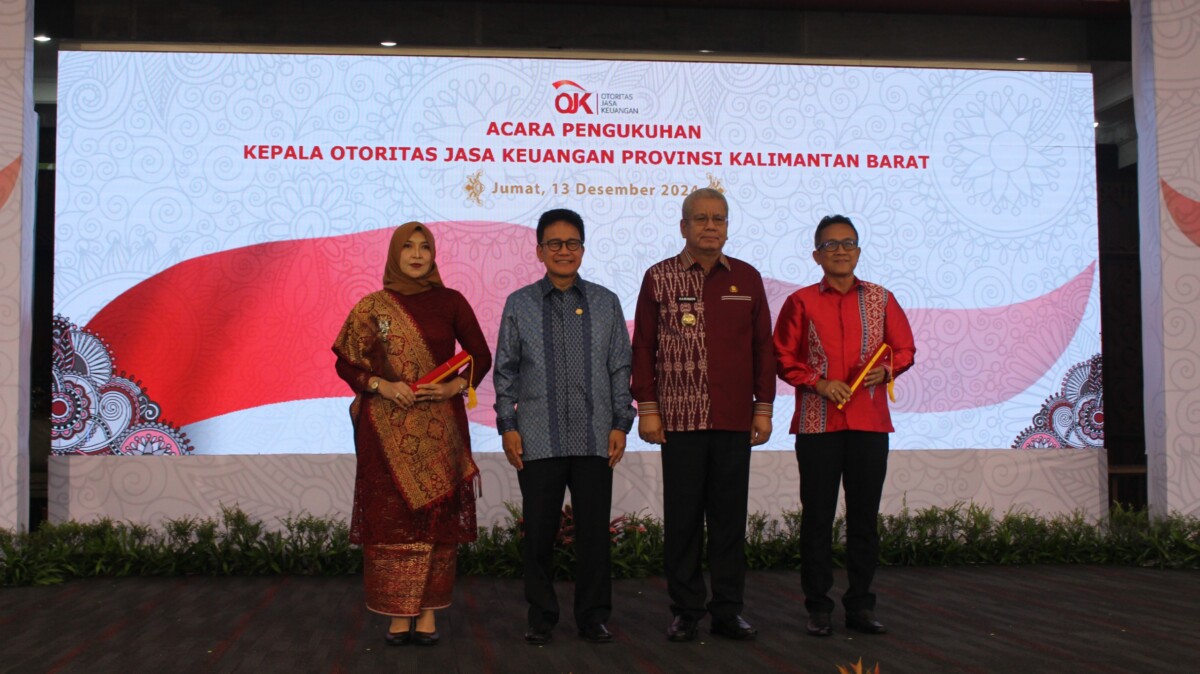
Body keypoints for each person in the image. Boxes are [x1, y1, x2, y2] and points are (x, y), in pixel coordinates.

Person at [332, 221, 492, 647]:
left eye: (425, 247)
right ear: (394, 254)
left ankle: (427, 615)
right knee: (393, 522)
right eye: (408, 247)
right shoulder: (373, 307)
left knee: (435, 521)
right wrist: (380, 385)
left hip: (441, 428)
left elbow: (480, 355)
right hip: (384, 432)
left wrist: (455, 386)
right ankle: (396, 613)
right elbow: (346, 363)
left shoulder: (451, 302)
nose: (417, 254)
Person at [631, 188, 775, 643]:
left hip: (734, 420)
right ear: (683, 227)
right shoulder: (659, 277)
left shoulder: (748, 279)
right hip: (679, 422)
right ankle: (686, 611)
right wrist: (648, 409)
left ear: (728, 226)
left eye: (719, 219)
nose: (710, 226)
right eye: (700, 219)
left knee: (730, 523)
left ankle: (728, 611)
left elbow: (762, 348)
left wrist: (764, 408)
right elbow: (643, 348)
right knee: (684, 521)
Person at [493, 208, 635, 646]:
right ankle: (541, 615)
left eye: (572, 243)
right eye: (554, 243)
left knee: (594, 536)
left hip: (595, 437)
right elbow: (505, 372)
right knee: (538, 534)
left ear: (583, 249)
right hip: (537, 438)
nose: (564, 250)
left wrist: (620, 423)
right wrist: (507, 425)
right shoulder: (519, 303)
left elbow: (619, 368)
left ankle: (594, 617)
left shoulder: (605, 301)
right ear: (539, 251)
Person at [773, 214, 915, 637]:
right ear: (816, 254)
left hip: (870, 423)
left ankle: (860, 606)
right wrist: (818, 383)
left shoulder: (881, 298)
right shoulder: (800, 302)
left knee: (864, 520)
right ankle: (818, 607)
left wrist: (888, 370)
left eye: (848, 243)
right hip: (818, 425)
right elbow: (783, 358)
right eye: (830, 244)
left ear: (858, 250)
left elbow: (905, 348)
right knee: (817, 519)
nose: (840, 250)